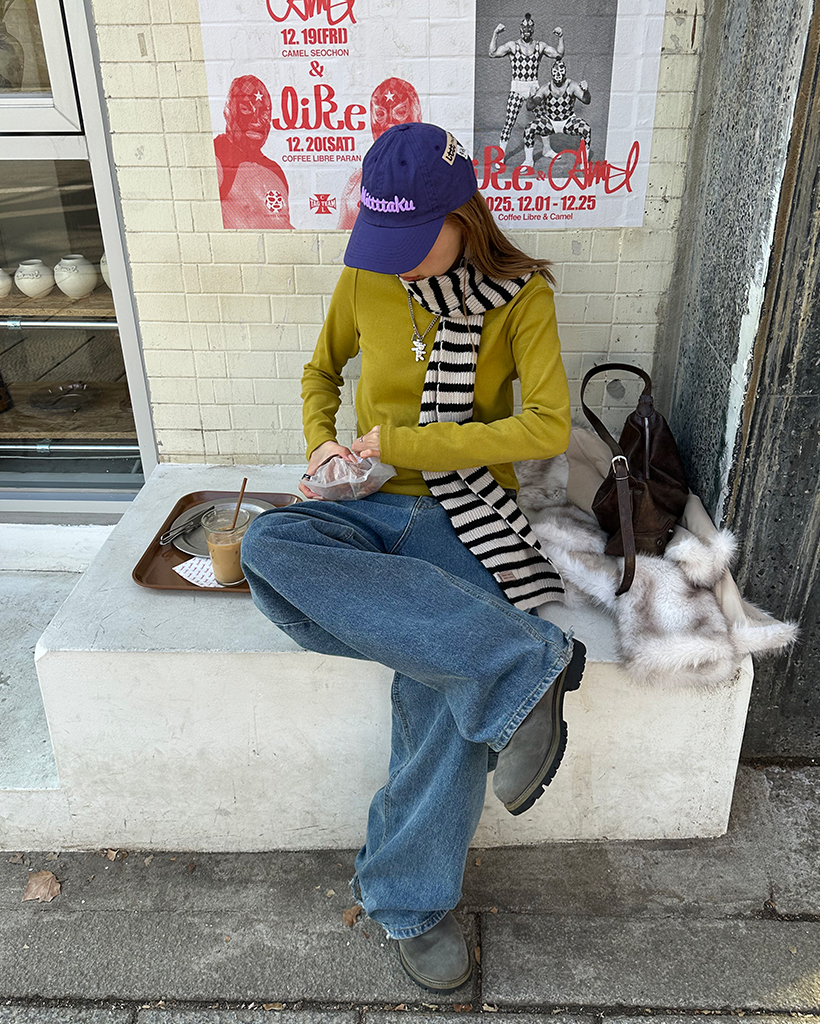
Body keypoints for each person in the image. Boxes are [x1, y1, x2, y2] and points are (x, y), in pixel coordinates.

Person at [240, 121, 586, 994]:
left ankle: (412, 902)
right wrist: (323, 444)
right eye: (383, 241)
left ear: (463, 216)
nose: (395, 263)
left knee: (439, 700)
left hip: (461, 514)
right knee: (268, 545)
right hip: (363, 505)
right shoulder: (367, 276)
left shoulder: (521, 297)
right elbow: (320, 373)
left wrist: (406, 442)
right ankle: (518, 663)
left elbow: (547, 425)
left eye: (413, 241)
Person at [337, 77, 423, 229]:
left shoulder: (434, 175)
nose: (389, 122)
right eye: (380, 114)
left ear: (416, 114)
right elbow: (343, 236)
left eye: (400, 112)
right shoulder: (356, 185)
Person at [213, 75, 294, 229]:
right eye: (245, 109)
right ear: (228, 112)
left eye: (264, 113)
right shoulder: (218, 158)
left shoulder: (275, 171)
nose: (257, 121)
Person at [489, 15, 564, 155]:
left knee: (543, 120)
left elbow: (559, 54)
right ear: (520, 29)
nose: (526, 31)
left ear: (533, 30)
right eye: (524, 28)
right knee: (509, 122)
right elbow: (492, 53)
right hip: (517, 88)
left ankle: (547, 149)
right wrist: (495, 33)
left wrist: (560, 37)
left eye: (529, 29)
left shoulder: (539, 46)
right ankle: (500, 156)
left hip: (534, 88)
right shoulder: (513, 46)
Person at [523, 58, 592, 167]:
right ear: (551, 73)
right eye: (555, 71)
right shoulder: (546, 88)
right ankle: (528, 161)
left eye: (561, 71)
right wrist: (530, 97)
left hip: (568, 121)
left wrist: (586, 90)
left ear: (565, 72)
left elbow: (586, 100)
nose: (558, 74)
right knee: (529, 129)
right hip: (550, 122)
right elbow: (530, 107)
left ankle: (584, 162)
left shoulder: (571, 86)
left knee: (586, 129)